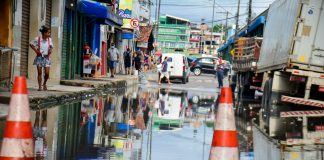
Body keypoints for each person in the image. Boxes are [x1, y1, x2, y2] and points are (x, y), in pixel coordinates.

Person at [30, 26, 53, 91]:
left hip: (47, 57)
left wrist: (50, 50)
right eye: (48, 33)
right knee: (39, 72)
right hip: (39, 57)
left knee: (47, 73)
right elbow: (31, 44)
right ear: (44, 33)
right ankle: (40, 87)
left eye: (49, 33)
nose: (49, 34)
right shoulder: (38, 39)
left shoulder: (49, 39)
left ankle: (44, 83)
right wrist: (36, 51)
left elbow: (51, 46)